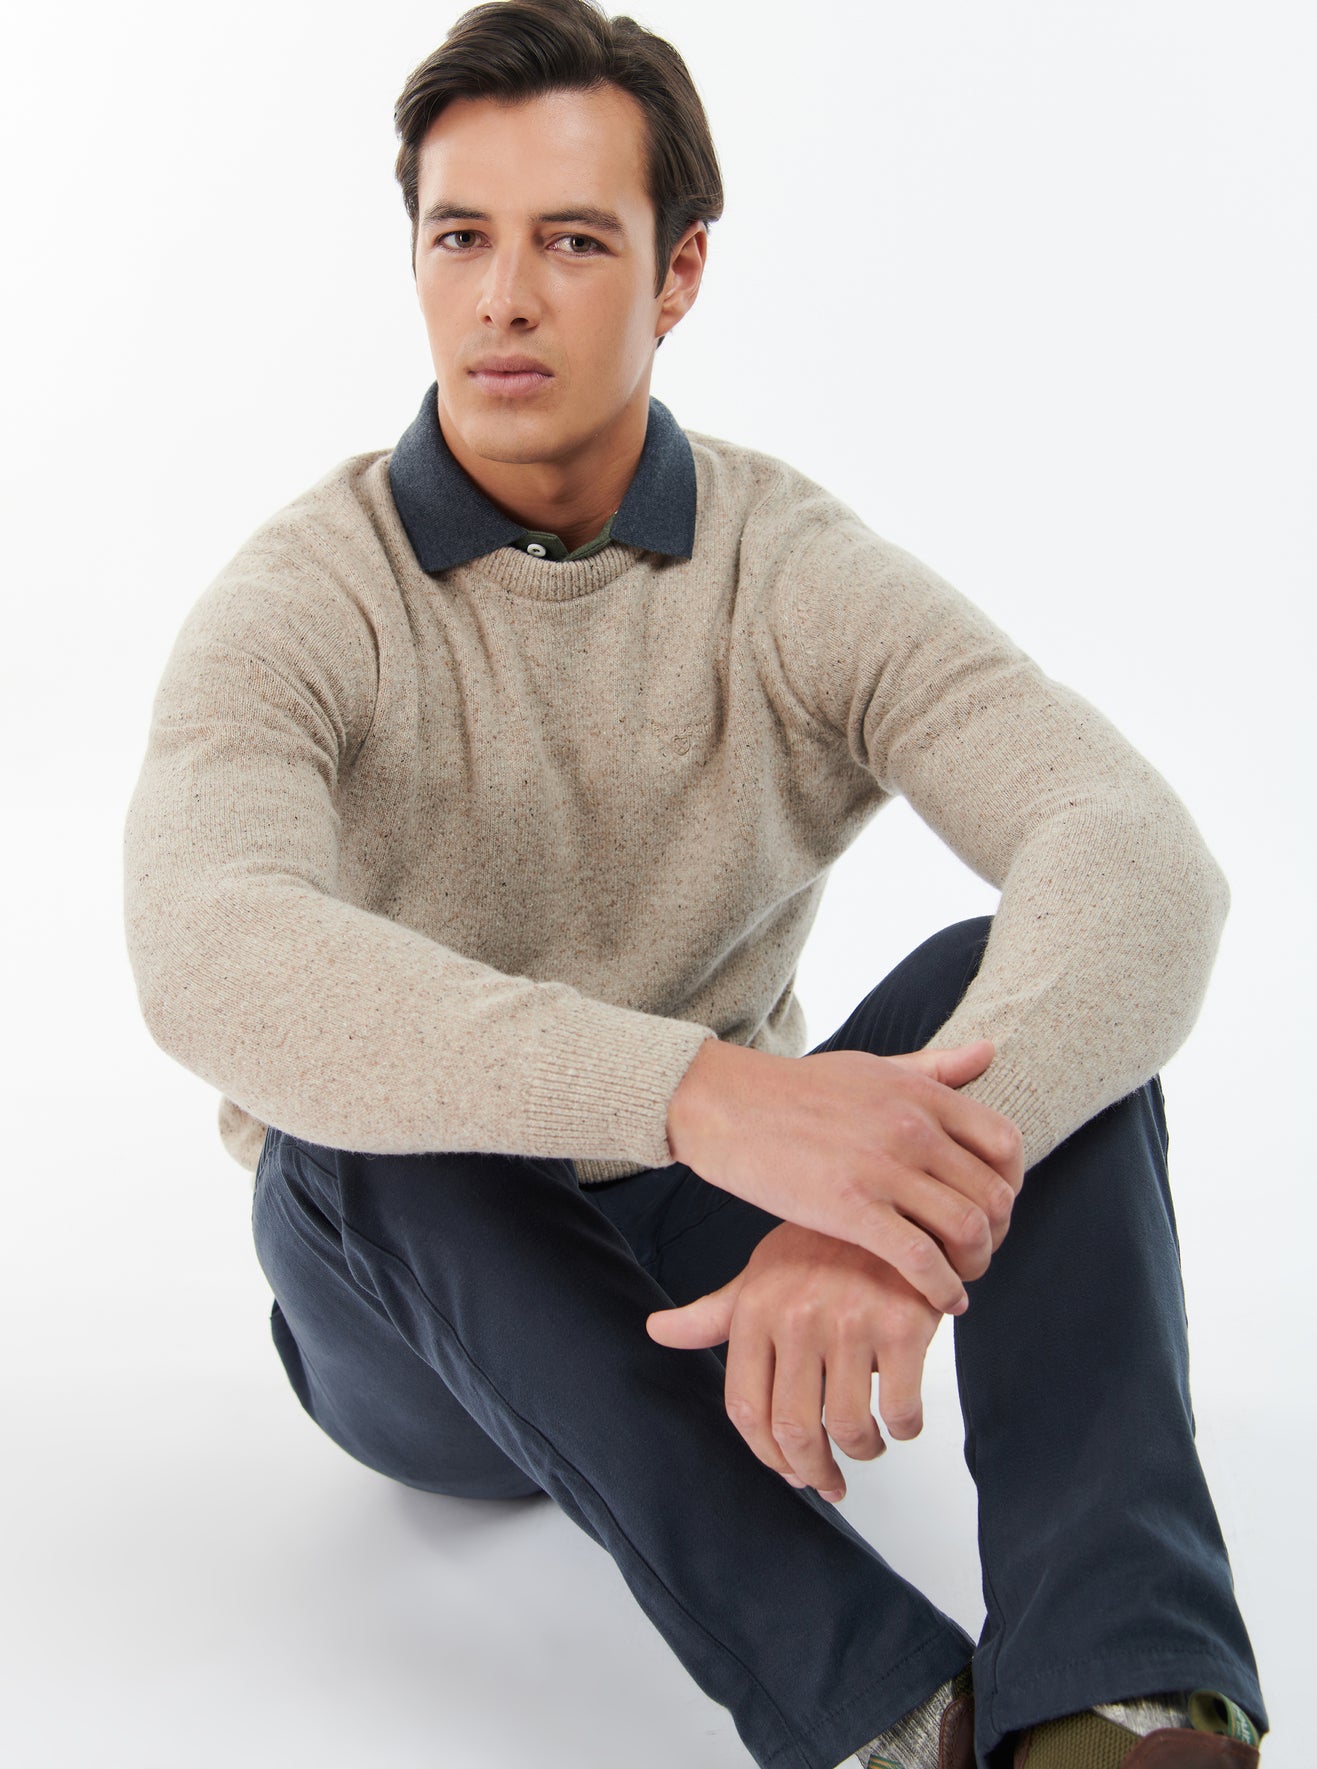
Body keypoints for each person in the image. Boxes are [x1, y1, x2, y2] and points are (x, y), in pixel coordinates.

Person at [121, 3, 1269, 1765]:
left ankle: (1113, 1695)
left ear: (677, 276)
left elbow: (1132, 850)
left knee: (1022, 979)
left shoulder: (784, 567)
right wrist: (704, 1093)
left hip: (717, 1238)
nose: (504, 299)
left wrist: (875, 1199)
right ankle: (887, 1712)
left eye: (573, 242)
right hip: (421, 1320)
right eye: (460, 238)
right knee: (351, 1119)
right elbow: (209, 951)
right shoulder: (305, 598)